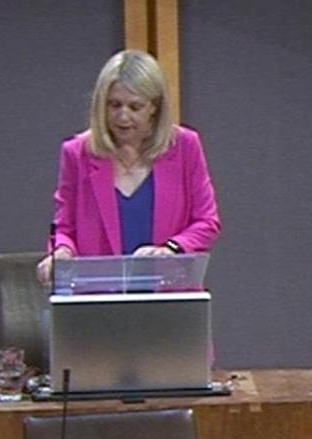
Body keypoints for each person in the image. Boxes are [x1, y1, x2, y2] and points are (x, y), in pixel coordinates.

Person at [37, 49, 221, 285]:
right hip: (99, 297)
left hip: (169, 295)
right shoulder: (77, 153)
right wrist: (62, 253)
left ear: (154, 107)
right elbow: (64, 228)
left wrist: (170, 249)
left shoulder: (185, 146)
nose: (123, 117)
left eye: (135, 107)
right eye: (115, 105)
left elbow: (207, 221)